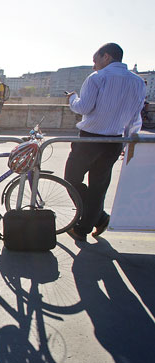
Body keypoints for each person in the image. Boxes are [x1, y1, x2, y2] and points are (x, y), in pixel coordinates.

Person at [64, 43, 146, 241]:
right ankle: (93, 221)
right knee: (99, 186)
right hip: (115, 140)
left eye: (95, 60)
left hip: (90, 139)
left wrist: (73, 97)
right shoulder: (138, 82)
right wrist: (127, 143)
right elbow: (135, 118)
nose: (94, 66)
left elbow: (84, 107)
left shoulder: (98, 78)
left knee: (71, 180)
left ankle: (96, 218)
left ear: (106, 57)